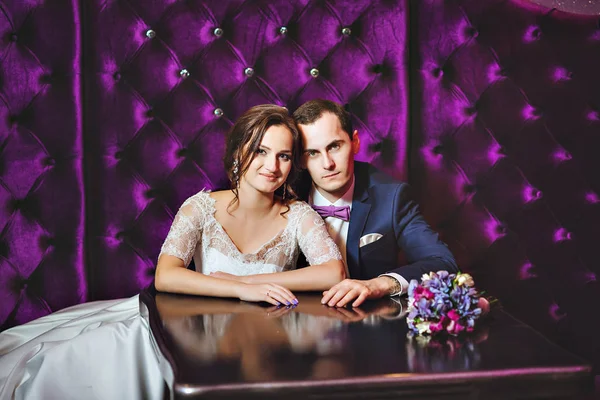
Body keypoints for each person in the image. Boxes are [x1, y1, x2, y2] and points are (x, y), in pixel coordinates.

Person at [0, 104, 346, 399]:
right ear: (240, 151)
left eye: (283, 155)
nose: (272, 165)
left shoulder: (297, 214)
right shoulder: (200, 208)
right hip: (189, 329)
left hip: (261, 341)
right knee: (67, 363)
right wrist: (240, 288)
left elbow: (333, 272)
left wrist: (252, 280)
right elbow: (166, 276)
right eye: (261, 151)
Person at [292, 99, 459, 308]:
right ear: (300, 159)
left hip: (366, 323)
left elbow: (443, 262)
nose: (328, 164)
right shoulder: (286, 195)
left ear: (355, 142)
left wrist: (379, 284)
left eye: (334, 146)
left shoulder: (391, 197)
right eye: (312, 153)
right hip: (298, 321)